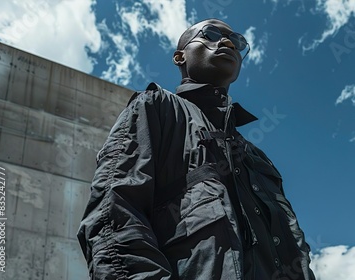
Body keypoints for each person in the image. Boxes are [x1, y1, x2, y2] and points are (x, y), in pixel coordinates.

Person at [77, 18, 316, 280]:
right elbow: (114, 213)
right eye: (211, 34)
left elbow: (296, 248)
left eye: (236, 41)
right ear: (180, 57)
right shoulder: (158, 109)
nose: (226, 42)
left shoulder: (257, 157)